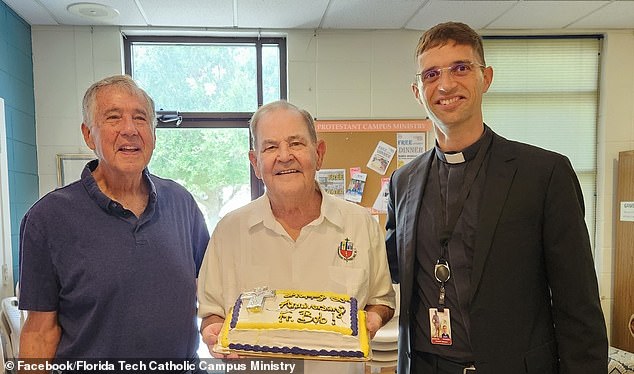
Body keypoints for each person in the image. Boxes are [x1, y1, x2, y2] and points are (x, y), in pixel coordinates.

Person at [385, 22, 607, 374]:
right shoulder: (403, 182)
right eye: (431, 74)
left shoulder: (543, 174)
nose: (445, 84)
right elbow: (384, 268)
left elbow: (578, 306)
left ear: (485, 78)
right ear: (417, 91)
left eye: (461, 68)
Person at [18, 75, 209, 370]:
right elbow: (40, 333)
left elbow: (208, 291)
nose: (129, 130)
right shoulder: (48, 218)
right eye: (113, 117)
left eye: (140, 118)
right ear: (89, 135)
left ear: (154, 134)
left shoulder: (181, 203)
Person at [197, 100, 395, 374]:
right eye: (270, 147)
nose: (284, 156)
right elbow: (211, 311)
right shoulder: (229, 232)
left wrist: (373, 319)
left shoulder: (361, 225)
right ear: (255, 163)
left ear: (319, 153)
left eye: (296, 143)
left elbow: (381, 299)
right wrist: (212, 330)